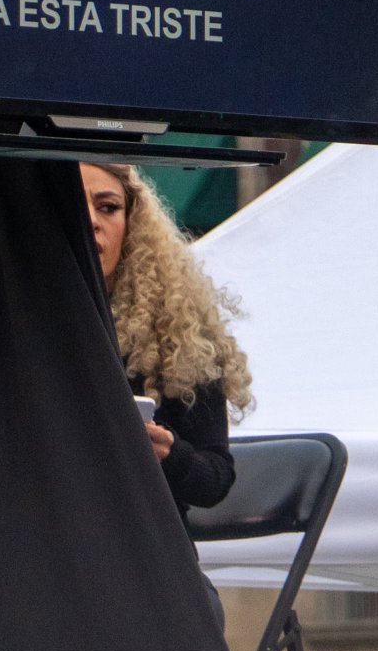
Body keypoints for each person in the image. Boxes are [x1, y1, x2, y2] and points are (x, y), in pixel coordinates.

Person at [80, 162, 254, 626]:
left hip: (150, 565)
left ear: (131, 224)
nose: (92, 220)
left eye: (108, 207)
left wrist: (169, 453)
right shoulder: (15, 327)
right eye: (76, 207)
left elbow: (216, 479)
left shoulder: (177, 335)